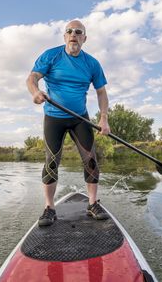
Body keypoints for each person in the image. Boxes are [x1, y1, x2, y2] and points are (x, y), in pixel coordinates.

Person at [26, 19, 110, 226]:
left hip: (80, 118)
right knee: (51, 161)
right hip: (54, 117)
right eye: (69, 31)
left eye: (78, 32)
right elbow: (32, 77)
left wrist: (103, 118)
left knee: (91, 160)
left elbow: (101, 92)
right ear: (65, 36)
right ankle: (49, 208)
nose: (73, 34)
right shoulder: (51, 56)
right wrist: (35, 91)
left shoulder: (92, 63)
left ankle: (92, 203)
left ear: (84, 38)